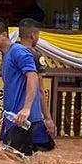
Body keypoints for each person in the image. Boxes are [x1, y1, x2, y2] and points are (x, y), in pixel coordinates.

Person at [0, 18, 44, 157]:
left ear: (4, 35)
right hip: (13, 120)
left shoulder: (18, 52)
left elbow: (33, 76)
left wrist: (27, 108)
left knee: (11, 162)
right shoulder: (6, 55)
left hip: (23, 120)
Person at [17, 18, 57, 152]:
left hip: (13, 116)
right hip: (33, 116)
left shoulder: (11, 52)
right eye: (38, 35)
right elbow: (40, 91)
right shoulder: (34, 56)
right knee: (45, 156)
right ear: (33, 35)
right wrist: (49, 119)